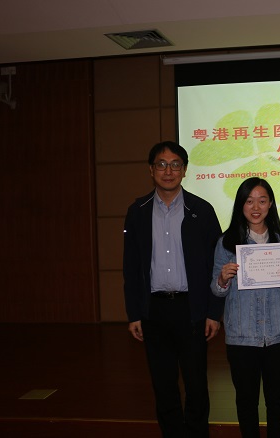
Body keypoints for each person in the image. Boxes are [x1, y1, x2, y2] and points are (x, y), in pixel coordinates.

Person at [123, 141, 224, 438]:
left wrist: (213, 313)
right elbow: (130, 267)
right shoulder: (137, 211)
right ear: (151, 170)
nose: (169, 171)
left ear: (185, 170)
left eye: (176, 164)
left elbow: (218, 265)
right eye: (162, 164)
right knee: (163, 385)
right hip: (154, 310)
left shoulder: (202, 210)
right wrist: (134, 313)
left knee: (196, 385)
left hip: (191, 309)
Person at [211, 177, 280, 438]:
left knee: (277, 402)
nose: (256, 207)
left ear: (271, 204)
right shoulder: (226, 242)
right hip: (242, 335)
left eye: (262, 200)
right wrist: (222, 278)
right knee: (246, 402)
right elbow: (216, 289)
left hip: (278, 333)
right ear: (240, 205)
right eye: (249, 200)